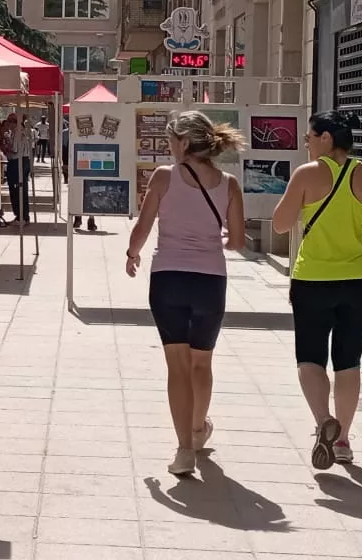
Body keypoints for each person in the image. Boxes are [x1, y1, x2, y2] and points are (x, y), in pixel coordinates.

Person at [269, 110, 362, 470]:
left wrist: (301, 203)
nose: (306, 142)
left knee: (310, 358)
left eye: (310, 136)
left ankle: (323, 422)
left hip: (313, 279)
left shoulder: (307, 174)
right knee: (348, 361)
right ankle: (344, 439)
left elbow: (281, 225)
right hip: (360, 281)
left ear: (327, 139)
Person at [126, 111, 245, 476]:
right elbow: (237, 242)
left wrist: (132, 255)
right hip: (210, 281)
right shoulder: (229, 183)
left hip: (168, 278)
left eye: (170, 140)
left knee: (176, 366)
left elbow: (143, 228)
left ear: (183, 142)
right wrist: (213, 239)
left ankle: (183, 452)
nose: (168, 147)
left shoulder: (164, 177)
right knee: (202, 362)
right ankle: (197, 430)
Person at [2, 113, 33, 223]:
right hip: (24, 161)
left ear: (13, 122)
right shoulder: (23, 131)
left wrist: (5, 146)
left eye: (9, 122)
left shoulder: (17, 132)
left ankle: (21, 214)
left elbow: (14, 149)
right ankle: (23, 214)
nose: (8, 125)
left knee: (16, 189)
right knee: (22, 188)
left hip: (17, 162)